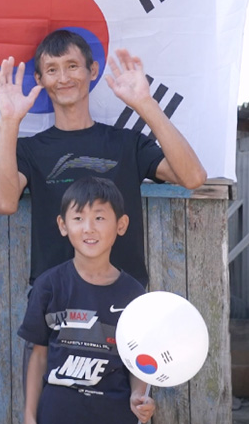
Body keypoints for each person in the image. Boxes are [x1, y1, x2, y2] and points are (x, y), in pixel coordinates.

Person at [0, 30, 207, 287]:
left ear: (92, 70)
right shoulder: (29, 149)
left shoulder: (128, 143)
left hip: (122, 291)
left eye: (72, 66)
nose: (63, 78)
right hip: (55, 293)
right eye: (52, 70)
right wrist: (9, 122)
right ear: (39, 79)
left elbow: (193, 177)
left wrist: (146, 104)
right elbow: (3, 204)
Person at [19, 176, 156, 424]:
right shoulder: (49, 286)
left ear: (121, 224)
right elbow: (37, 356)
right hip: (56, 415)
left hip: (115, 415)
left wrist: (139, 394)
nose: (89, 228)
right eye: (78, 218)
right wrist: (29, 416)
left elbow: (139, 361)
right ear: (63, 225)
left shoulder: (133, 294)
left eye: (100, 218)